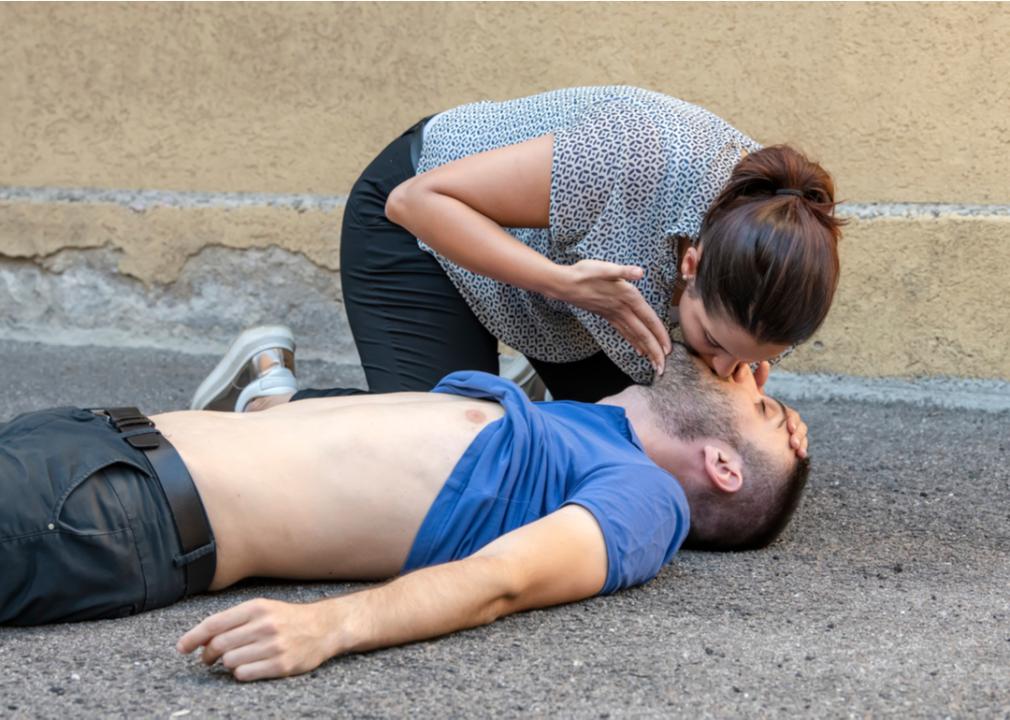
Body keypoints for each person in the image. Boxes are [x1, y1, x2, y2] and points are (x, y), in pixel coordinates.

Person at [2, 343, 807, 681]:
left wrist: (329, 627)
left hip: (109, 509)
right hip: (88, 441)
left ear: (725, 468)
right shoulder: (583, 424)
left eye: (767, 409)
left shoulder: (647, 498)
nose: (754, 375)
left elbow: (503, 581)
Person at [195, 86, 843, 459]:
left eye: (757, 362)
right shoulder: (634, 154)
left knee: (622, 457)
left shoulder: (774, 259)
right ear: (692, 265)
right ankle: (261, 395)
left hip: (571, 296)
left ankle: (520, 382)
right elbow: (416, 203)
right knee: (446, 461)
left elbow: (728, 373)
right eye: (721, 349)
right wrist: (560, 283)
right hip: (422, 228)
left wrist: (762, 418)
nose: (728, 369)